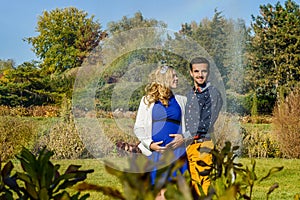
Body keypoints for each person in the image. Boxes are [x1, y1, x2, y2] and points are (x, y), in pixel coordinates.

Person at [134, 65, 188, 200]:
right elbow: (139, 127)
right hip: (157, 153)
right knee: (158, 190)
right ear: (164, 79)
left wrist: (183, 137)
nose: (177, 78)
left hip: (177, 151)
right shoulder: (147, 100)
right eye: (173, 76)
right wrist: (150, 144)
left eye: (176, 75)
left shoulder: (182, 100)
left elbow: (191, 126)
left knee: (179, 190)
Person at [183, 57, 223, 198]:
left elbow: (205, 123)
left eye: (204, 71)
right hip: (190, 144)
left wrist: (184, 136)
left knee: (204, 180)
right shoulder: (190, 93)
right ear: (191, 73)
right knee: (193, 181)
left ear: (209, 72)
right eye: (196, 71)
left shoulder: (213, 94)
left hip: (202, 142)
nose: (200, 74)